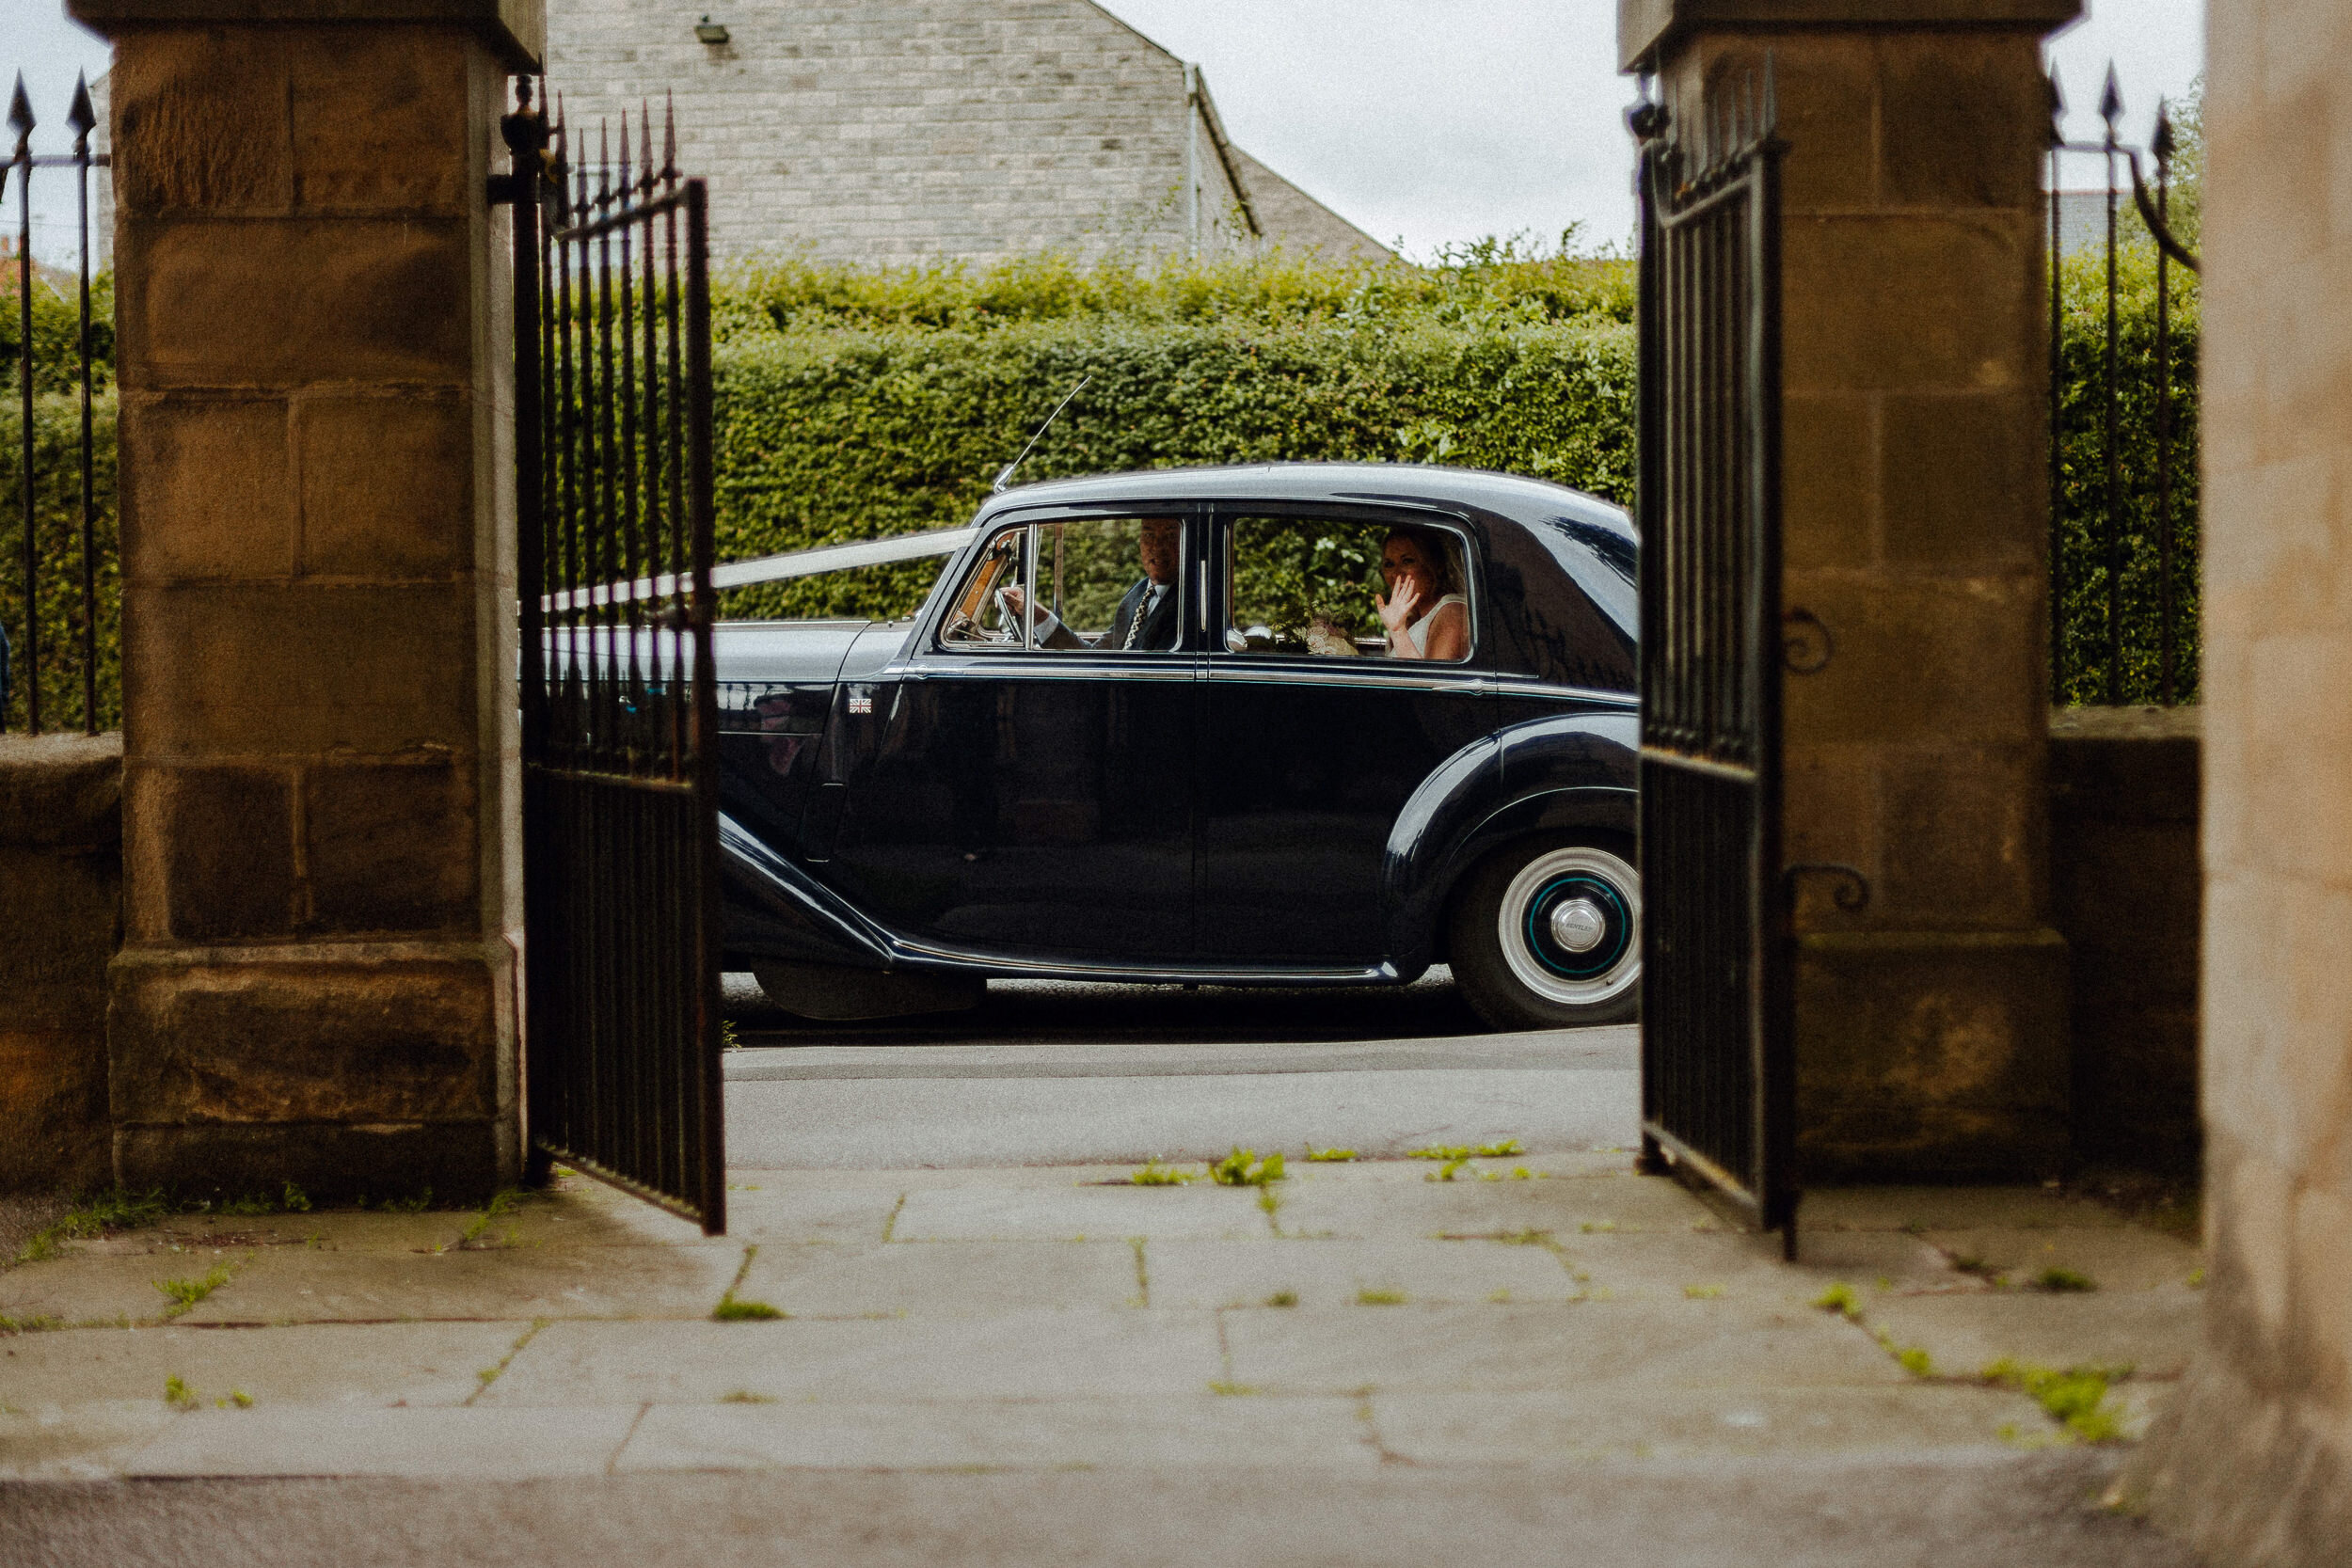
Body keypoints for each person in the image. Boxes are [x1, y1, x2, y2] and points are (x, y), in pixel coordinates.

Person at [999, 515, 1182, 651]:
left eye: (1171, 536)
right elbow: (1095, 655)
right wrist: (1036, 614)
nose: (1157, 547)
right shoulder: (1140, 592)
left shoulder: (1189, 603)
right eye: (1149, 535)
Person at [1375, 525, 1469, 660]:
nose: (1396, 574)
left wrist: (1398, 632)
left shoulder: (1452, 612)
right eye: (1389, 564)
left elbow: (1436, 680)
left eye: (1407, 561)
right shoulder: (1410, 620)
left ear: (1436, 565)